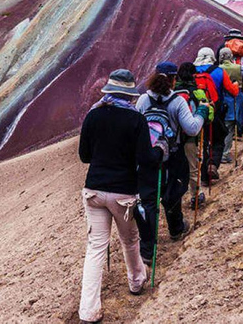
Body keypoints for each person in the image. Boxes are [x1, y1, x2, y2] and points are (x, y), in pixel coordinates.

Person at [78, 69, 152, 323]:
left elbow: (84, 156)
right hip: (124, 192)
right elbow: (144, 159)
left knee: (96, 248)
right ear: (130, 94)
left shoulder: (93, 115)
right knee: (130, 239)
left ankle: (88, 311)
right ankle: (136, 281)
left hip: (93, 190)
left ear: (109, 91)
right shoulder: (136, 120)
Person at [134, 62, 207, 265]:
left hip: (147, 157)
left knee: (148, 200)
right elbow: (191, 129)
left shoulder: (142, 100)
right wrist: (201, 112)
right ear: (174, 79)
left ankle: (147, 249)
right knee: (173, 193)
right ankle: (176, 228)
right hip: (172, 156)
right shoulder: (177, 102)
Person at [193, 47, 239, 182]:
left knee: (202, 142)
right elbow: (232, 91)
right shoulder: (219, 71)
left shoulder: (192, 72)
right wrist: (236, 85)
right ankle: (212, 165)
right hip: (215, 110)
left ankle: (202, 173)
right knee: (217, 139)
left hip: (195, 111)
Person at [174, 62, 209, 208]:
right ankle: (196, 195)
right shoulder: (197, 92)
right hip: (190, 136)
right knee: (193, 166)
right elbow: (209, 115)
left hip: (173, 138)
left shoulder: (171, 92)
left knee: (175, 168)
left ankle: (174, 198)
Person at [218, 48, 243, 163]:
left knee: (225, 126)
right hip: (236, 98)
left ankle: (221, 153)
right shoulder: (238, 67)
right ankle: (225, 154)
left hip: (222, 100)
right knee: (231, 128)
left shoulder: (218, 69)